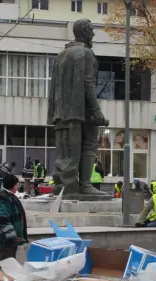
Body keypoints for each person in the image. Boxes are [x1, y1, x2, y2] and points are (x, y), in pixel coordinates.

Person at [47, 18, 110, 197]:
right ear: (84, 32)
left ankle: (64, 185)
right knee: (89, 146)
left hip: (62, 112)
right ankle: (84, 185)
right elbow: (88, 82)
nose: (93, 34)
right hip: (82, 111)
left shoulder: (62, 55)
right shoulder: (86, 53)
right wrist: (97, 111)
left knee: (67, 150)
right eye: (91, 30)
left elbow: (54, 87)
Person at [0, 174, 29, 261]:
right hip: (6, 239)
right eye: (17, 184)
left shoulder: (9, 196)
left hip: (10, 239)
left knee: (10, 263)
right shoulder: (4, 198)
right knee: (6, 264)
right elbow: (2, 219)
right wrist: (12, 235)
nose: (18, 186)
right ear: (12, 185)